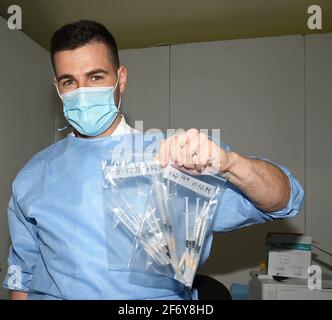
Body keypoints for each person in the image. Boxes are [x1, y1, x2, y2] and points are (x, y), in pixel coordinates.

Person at [3, 20, 304, 300]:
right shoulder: (34, 175)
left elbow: (283, 198)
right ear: (57, 87)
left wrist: (230, 164)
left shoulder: (174, 156)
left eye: (96, 77)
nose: (82, 92)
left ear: (120, 79)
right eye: (69, 82)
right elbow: (22, 274)